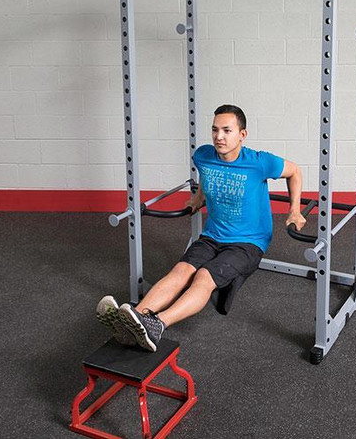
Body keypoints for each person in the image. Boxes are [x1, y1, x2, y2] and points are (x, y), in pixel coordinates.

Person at [97, 104, 306, 351]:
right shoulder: (203, 155)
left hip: (248, 242)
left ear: (242, 134)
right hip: (212, 235)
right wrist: (198, 197)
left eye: (227, 130)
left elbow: (294, 172)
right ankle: (133, 317)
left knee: (204, 277)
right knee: (180, 271)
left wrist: (295, 210)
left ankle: (158, 325)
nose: (219, 137)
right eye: (215, 130)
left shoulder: (260, 162)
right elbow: (206, 174)